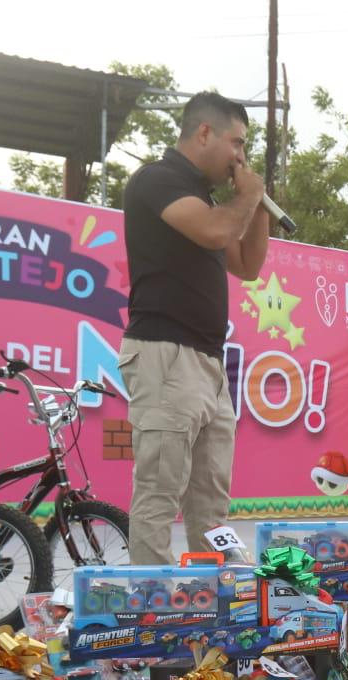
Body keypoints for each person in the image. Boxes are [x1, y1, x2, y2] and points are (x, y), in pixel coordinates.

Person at [120, 92, 270, 565]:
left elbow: (246, 264)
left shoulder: (208, 203)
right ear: (204, 132)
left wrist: (259, 205)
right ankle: (152, 610)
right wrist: (245, 196)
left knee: (210, 502)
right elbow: (213, 232)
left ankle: (213, 603)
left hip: (208, 363)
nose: (240, 157)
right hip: (166, 355)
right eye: (237, 143)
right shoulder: (158, 179)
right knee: (160, 493)